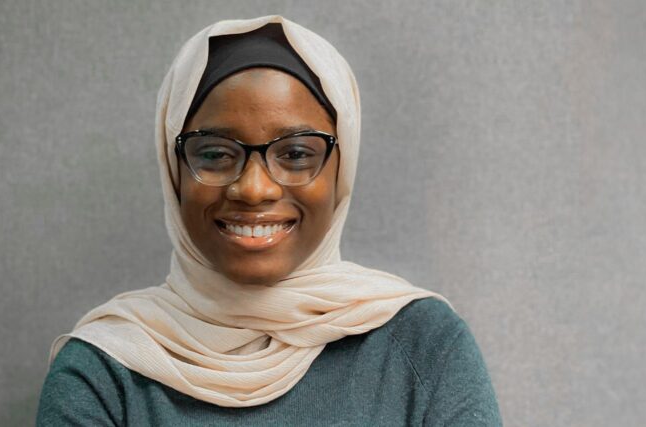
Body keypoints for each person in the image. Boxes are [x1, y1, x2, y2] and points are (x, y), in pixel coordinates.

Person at [37, 15, 502, 426]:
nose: (254, 188)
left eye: (297, 153)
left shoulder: (424, 347)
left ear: (343, 167)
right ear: (172, 169)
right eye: (215, 153)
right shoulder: (105, 370)